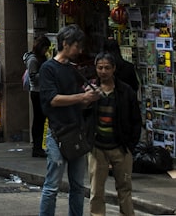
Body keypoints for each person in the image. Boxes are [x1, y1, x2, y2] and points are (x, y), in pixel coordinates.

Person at [38, 24, 102, 216]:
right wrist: (81, 98)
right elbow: (53, 99)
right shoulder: (48, 68)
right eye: (77, 45)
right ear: (65, 44)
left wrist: (89, 98)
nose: (80, 50)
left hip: (76, 130)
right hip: (58, 132)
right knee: (52, 185)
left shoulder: (73, 70)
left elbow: (76, 102)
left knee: (78, 186)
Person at [88, 50, 143, 216]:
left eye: (106, 68)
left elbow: (135, 120)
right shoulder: (90, 91)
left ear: (113, 69)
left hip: (120, 147)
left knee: (124, 188)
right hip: (97, 147)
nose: (103, 72)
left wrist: (130, 145)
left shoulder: (125, 92)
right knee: (96, 190)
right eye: (100, 68)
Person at [25, 34, 52, 158]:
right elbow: (33, 77)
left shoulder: (42, 58)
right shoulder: (33, 60)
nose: (46, 51)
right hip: (37, 92)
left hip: (42, 91)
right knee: (38, 120)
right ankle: (37, 147)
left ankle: (40, 146)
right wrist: (45, 74)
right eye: (45, 48)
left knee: (41, 120)